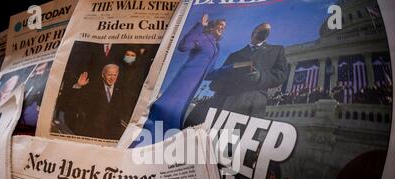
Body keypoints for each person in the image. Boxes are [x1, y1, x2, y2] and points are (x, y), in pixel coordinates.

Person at [131, 14, 226, 146]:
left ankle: (161, 148)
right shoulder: (204, 37)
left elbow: (209, 73)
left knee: (175, 119)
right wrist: (200, 26)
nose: (222, 28)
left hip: (193, 90)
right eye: (220, 25)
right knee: (166, 111)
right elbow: (183, 46)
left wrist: (231, 68)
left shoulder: (218, 49)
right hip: (184, 82)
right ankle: (142, 144)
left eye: (224, 27)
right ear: (212, 27)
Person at [186, 22, 287, 125]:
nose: (266, 32)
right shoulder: (234, 55)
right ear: (254, 32)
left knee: (234, 138)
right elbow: (218, 78)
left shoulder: (277, 50)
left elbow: (281, 74)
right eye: (263, 30)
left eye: (268, 31)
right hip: (223, 101)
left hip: (250, 105)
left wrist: (261, 76)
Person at [58, 64, 125, 140]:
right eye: (109, 75)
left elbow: (119, 118)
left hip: (110, 136)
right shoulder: (92, 89)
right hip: (91, 134)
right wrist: (78, 85)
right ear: (103, 75)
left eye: (114, 75)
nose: (112, 78)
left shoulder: (121, 92)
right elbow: (72, 102)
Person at [19, 62, 51, 129]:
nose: (38, 73)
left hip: (32, 104)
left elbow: (40, 90)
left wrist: (39, 105)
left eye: (41, 70)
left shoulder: (44, 77)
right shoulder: (27, 75)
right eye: (36, 71)